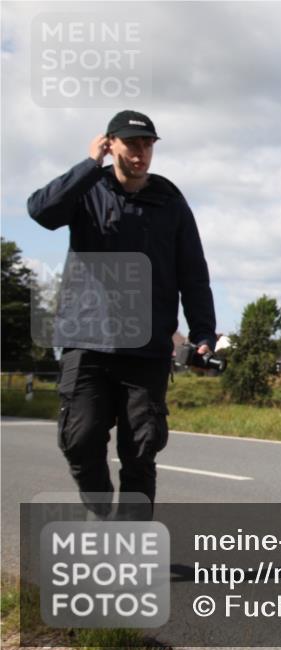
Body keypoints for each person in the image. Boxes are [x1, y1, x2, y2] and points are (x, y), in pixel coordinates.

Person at [27, 110, 216, 518]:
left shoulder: (169, 200)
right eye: (132, 144)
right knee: (79, 439)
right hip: (86, 341)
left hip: (146, 346)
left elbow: (193, 272)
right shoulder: (86, 189)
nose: (141, 153)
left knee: (141, 451)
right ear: (110, 143)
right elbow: (41, 212)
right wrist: (88, 164)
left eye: (148, 145)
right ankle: (100, 509)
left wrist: (204, 332)